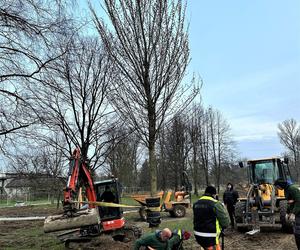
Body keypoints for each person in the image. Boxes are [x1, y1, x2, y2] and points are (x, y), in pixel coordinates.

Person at [193, 185, 230, 250]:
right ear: (213, 194)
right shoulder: (215, 204)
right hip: (211, 237)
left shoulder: (196, 203)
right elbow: (225, 222)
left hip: (198, 235)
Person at [274, 178, 300, 249]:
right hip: (296, 212)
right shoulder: (286, 190)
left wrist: (293, 213)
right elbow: (289, 202)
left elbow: (299, 201)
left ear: (281, 184)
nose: (277, 188)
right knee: (296, 232)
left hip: (298, 213)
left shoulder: (292, 189)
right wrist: (287, 213)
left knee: (298, 232)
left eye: (277, 186)